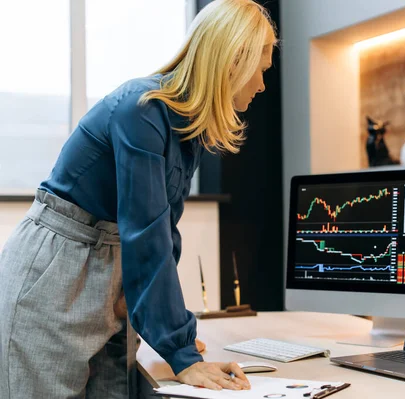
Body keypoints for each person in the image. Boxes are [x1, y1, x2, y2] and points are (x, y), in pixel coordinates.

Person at [0, 0, 276, 397]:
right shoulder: (142, 109)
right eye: (261, 69)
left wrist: (176, 336)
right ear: (233, 60)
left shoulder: (189, 127)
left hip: (107, 267)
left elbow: (163, 233)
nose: (262, 85)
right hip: (57, 273)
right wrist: (180, 351)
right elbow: (146, 233)